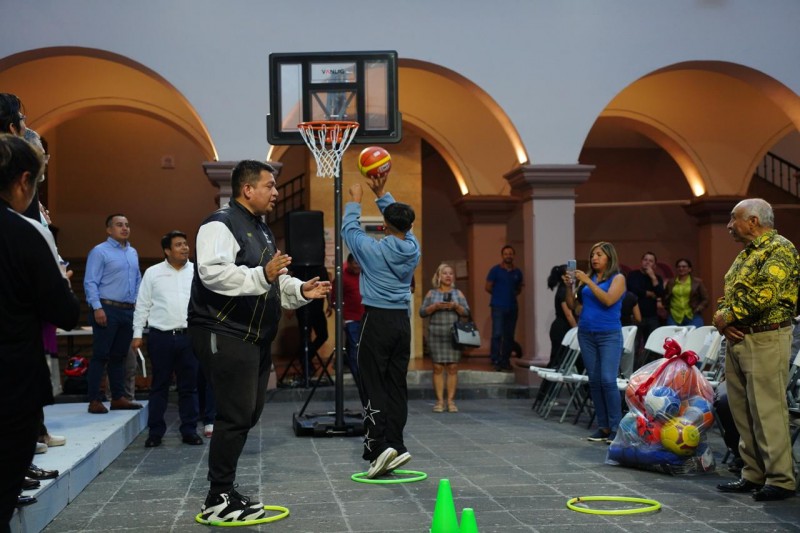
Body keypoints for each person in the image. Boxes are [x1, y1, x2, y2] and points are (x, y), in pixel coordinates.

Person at [188, 160, 330, 523]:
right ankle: (217, 497)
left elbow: (274, 279)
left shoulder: (262, 229)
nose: (276, 192)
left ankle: (224, 489)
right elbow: (213, 273)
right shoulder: (220, 223)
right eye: (270, 185)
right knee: (235, 414)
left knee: (248, 412)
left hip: (254, 336)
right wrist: (262, 275)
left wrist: (300, 289)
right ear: (247, 189)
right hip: (224, 330)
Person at [0, 134, 80, 528]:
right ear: (23, 181)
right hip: (10, 379)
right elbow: (65, 313)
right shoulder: (23, 232)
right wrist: (61, 280)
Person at [713, 198, 798, 501]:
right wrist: (722, 321)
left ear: (753, 221)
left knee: (767, 410)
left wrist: (725, 317)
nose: (728, 225)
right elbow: (729, 296)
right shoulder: (745, 255)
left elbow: (765, 294)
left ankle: (781, 479)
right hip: (739, 338)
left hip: (766, 338)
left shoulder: (780, 249)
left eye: (733, 218)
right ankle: (753, 473)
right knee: (742, 411)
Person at [342, 173, 420, 479]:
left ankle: (378, 448)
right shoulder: (413, 247)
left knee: (372, 383)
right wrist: (382, 194)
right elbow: (400, 224)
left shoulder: (372, 251)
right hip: (402, 322)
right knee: (396, 384)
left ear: (385, 225)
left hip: (376, 320)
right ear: (409, 226)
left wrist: (354, 200)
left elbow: (349, 230)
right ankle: (396, 445)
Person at [132, 230, 202, 448]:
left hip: (189, 336)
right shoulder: (153, 273)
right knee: (159, 386)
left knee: (189, 387)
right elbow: (142, 304)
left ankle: (189, 430)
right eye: (179, 245)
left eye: (186, 244)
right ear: (167, 250)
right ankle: (155, 432)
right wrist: (137, 334)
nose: (185, 248)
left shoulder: (197, 272)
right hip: (160, 337)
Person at [564, 241, 626, 443]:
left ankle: (616, 428)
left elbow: (608, 300)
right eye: (592, 255)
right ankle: (603, 427)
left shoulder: (618, 278)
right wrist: (569, 286)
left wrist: (588, 282)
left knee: (608, 379)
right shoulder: (588, 279)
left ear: (609, 257)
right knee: (595, 381)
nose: (594, 258)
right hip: (586, 334)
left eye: (599, 254)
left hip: (609, 334)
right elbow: (572, 305)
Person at [84, 214, 143, 414]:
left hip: (128, 310)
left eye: (127, 225)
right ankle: (94, 400)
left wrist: (137, 302)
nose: (125, 228)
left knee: (119, 357)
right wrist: (97, 307)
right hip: (106, 308)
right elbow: (90, 281)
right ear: (109, 230)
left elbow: (137, 279)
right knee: (101, 355)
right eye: (119, 225)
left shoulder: (132, 252)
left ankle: (118, 398)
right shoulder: (99, 251)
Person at [419, 263, 471, 413]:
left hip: (453, 335)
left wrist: (456, 306)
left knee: (453, 367)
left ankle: (451, 401)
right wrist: (435, 307)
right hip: (436, 334)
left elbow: (466, 312)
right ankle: (440, 401)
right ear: (438, 276)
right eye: (445, 273)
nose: (448, 276)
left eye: (450, 273)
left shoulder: (458, 293)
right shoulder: (431, 293)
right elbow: (422, 312)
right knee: (437, 367)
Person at [485, 245, 524, 371]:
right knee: (497, 334)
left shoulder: (517, 272)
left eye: (510, 254)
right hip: (498, 307)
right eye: (506, 254)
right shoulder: (495, 270)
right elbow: (488, 287)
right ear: (502, 256)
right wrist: (499, 295)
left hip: (512, 307)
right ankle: (495, 359)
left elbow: (519, 288)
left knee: (509, 335)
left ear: (513, 255)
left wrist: (510, 295)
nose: (508, 256)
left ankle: (505, 360)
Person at [292, 264, 333, 383]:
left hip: (318, 308)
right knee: (305, 337)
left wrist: (329, 303)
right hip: (302, 308)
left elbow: (327, 286)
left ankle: (305, 357)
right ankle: (306, 365)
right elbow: (293, 287)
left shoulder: (321, 268)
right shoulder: (299, 268)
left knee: (323, 335)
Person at [337, 253, 367, 404]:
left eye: (359, 263)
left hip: (366, 318)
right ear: (348, 263)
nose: (357, 266)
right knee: (355, 352)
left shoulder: (365, 274)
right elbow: (335, 297)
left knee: (365, 351)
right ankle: (360, 382)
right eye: (355, 263)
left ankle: (366, 381)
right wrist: (341, 317)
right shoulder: (342, 277)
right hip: (351, 319)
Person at [627, 251, 664, 370]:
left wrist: (653, 277)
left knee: (653, 346)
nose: (647, 262)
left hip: (652, 316)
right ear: (641, 261)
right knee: (634, 346)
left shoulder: (657, 278)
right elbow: (632, 290)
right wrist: (649, 293)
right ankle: (633, 371)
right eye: (645, 260)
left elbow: (660, 293)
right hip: (635, 316)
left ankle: (649, 370)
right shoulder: (633, 275)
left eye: (650, 261)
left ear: (654, 265)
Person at [663, 258, 709, 327]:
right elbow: (665, 297)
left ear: (689, 269)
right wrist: (667, 309)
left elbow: (706, 299)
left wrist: (698, 308)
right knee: (672, 333)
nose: (681, 268)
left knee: (696, 332)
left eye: (684, 266)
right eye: (679, 267)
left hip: (692, 315)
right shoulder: (671, 282)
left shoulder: (697, 282)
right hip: (674, 315)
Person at [547, 264, 577, 365]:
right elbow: (568, 314)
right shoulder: (563, 291)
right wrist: (576, 330)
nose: (573, 276)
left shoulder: (565, 289)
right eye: (570, 274)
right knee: (558, 360)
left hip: (563, 327)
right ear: (563, 277)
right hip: (561, 328)